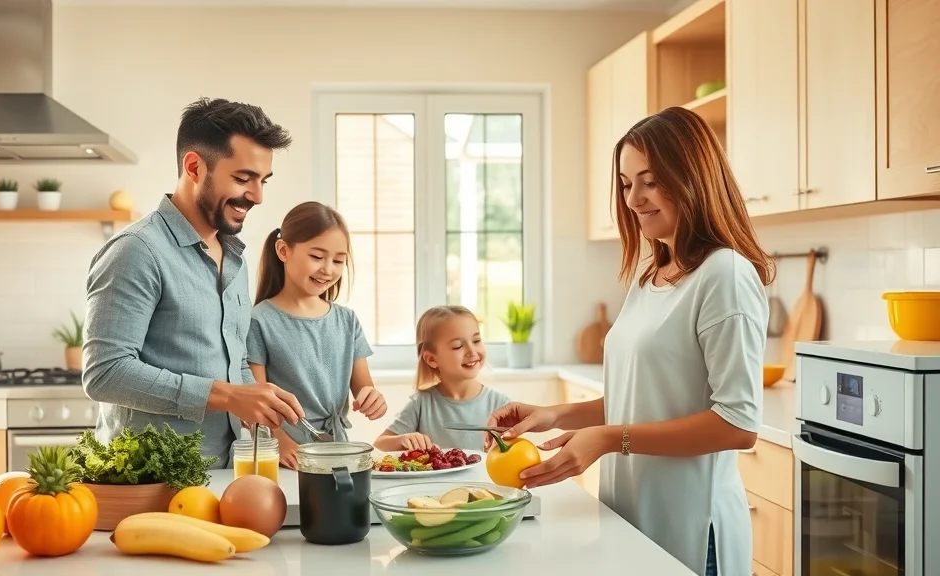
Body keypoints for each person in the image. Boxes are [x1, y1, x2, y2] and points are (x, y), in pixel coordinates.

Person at [487, 106, 773, 576]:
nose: (634, 199)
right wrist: (553, 414)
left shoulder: (724, 274)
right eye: (625, 184)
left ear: (693, 178)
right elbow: (641, 398)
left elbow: (738, 424)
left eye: (651, 181)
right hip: (631, 519)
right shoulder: (651, 276)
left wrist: (607, 439)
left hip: (690, 531)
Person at [82, 97, 305, 470]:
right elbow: (105, 373)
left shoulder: (234, 256)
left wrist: (264, 413)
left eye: (262, 181)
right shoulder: (137, 251)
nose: (257, 196)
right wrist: (226, 396)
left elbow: (231, 360)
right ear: (194, 167)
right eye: (243, 178)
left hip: (224, 470)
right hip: (149, 479)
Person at [246, 201, 387, 469]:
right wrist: (280, 442)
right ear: (283, 250)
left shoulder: (347, 320)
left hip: (338, 452)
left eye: (338, 261)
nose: (328, 269)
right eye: (317, 256)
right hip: (285, 455)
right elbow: (256, 400)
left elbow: (364, 388)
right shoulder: (259, 321)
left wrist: (373, 399)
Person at [374, 305, 510, 453]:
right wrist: (402, 440)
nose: (472, 351)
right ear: (432, 359)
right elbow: (378, 445)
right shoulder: (421, 404)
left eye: (476, 341)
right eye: (458, 346)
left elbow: (515, 453)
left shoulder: (501, 405)